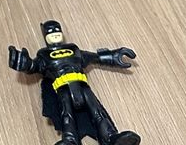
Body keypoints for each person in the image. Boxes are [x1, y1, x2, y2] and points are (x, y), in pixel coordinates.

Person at [8, 20, 140, 145]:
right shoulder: (44, 55)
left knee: (97, 111)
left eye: (57, 30)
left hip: (82, 86)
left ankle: (110, 137)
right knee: (67, 114)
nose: (55, 34)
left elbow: (94, 57)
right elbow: (35, 66)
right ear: (45, 35)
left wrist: (113, 56)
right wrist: (26, 64)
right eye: (50, 31)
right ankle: (70, 140)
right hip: (62, 88)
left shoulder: (73, 49)